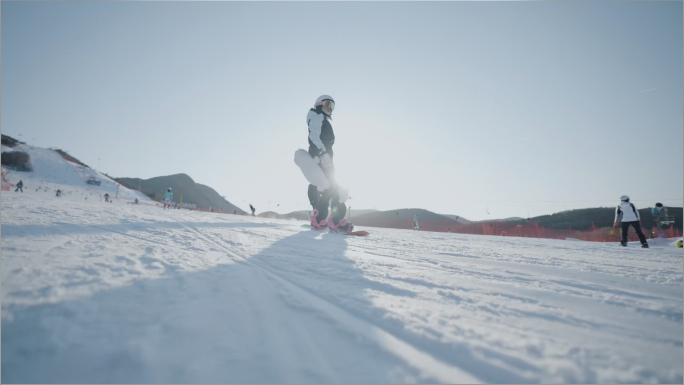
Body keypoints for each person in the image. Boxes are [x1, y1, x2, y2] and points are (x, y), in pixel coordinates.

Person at [305, 95, 353, 232]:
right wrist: (322, 153)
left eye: (332, 106)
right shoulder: (316, 114)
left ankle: (320, 219)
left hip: (324, 157)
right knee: (336, 189)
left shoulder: (321, 118)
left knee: (328, 189)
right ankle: (336, 221)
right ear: (319, 104)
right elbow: (313, 135)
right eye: (327, 104)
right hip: (322, 157)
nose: (330, 108)